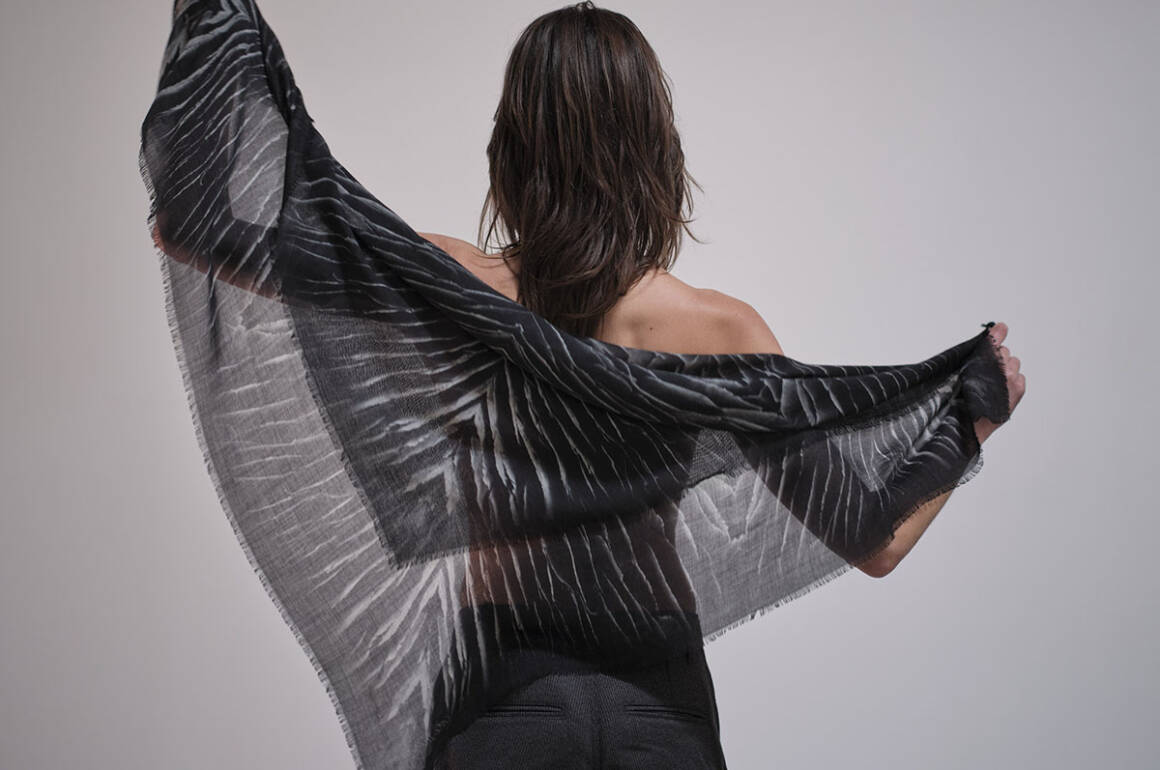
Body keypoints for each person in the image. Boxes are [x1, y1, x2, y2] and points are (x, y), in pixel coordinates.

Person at [413, 3, 1023, 768]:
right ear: (652, 151)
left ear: (509, 144)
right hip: (656, 711)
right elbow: (875, 541)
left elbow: (282, 247)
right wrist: (972, 416)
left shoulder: (444, 282)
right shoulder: (718, 330)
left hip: (502, 701)